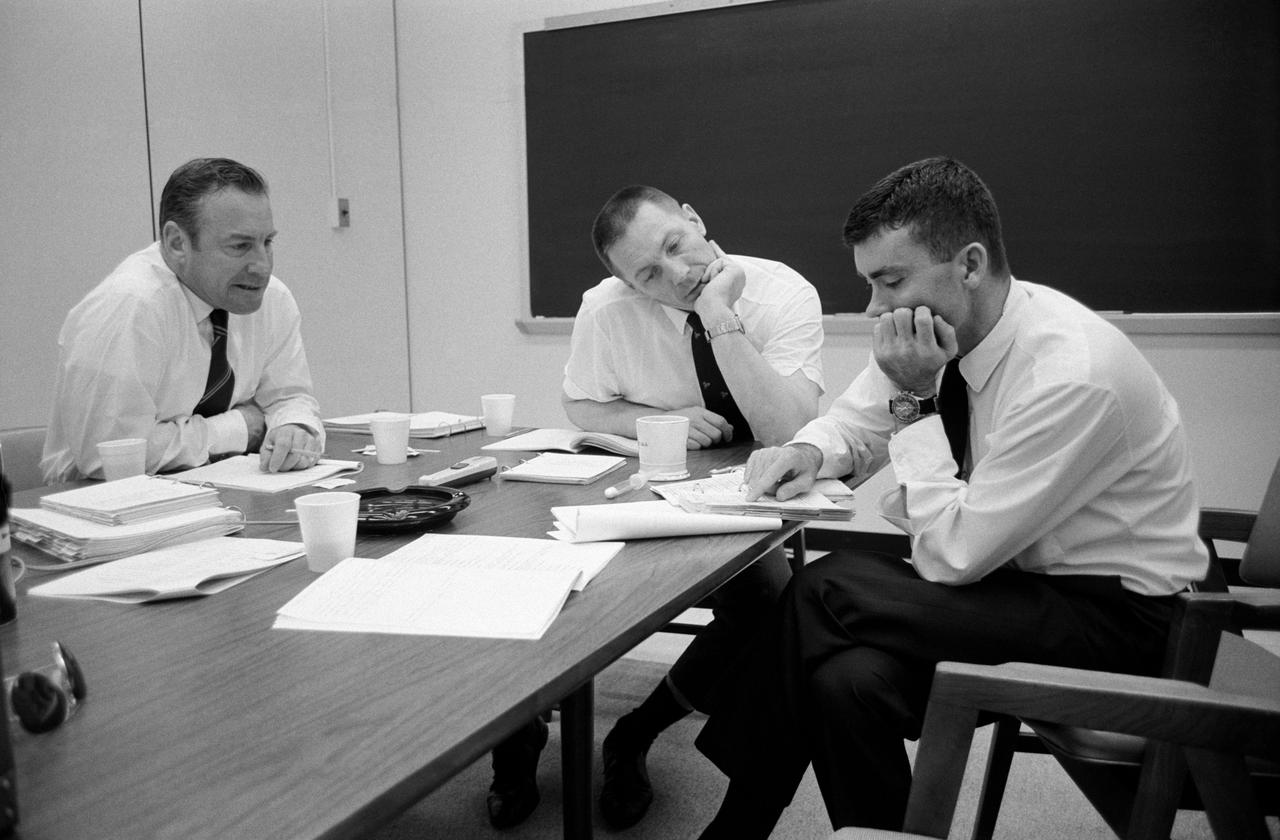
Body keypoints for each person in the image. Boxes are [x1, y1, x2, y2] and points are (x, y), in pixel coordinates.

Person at [691, 157, 1210, 837]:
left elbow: (951, 557)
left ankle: (736, 823)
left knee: (827, 586)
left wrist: (912, 403)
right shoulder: (944, 335)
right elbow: (859, 419)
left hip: (1130, 625)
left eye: (890, 281)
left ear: (968, 264)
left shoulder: (1071, 373)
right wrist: (807, 451)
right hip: (1020, 590)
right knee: (845, 680)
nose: (876, 307)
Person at [483, 185, 826, 830]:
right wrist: (659, 419)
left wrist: (719, 313)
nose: (676, 275)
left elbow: (788, 431)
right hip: (641, 486)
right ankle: (518, 729)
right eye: (648, 275)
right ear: (628, 285)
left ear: (695, 219)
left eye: (675, 246)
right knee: (540, 571)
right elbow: (583, 405)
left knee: (773, 606)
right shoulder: (605, 311)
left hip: (741, 497)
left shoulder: (782, 294)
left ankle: (635, 733)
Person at [41, 158, 324, 483]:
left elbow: (289, 397)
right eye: (240, 246)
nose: (262, 266)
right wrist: (241, 427)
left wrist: (295, 428)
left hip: (217, 494)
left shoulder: (272, 299)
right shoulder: (131, 307)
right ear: (177, 243)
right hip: (101, 505)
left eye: (267, 242)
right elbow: (110, 457)